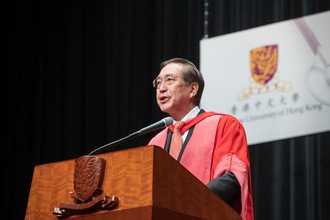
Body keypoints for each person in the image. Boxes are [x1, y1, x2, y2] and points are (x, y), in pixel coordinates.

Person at [148, 58, 254, 220]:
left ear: (193, 89)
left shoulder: (223, 125)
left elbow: (232, 180)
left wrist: (185, 205)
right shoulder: (155, 143)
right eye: (158, 82)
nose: (161, 88)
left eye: (170, 80)